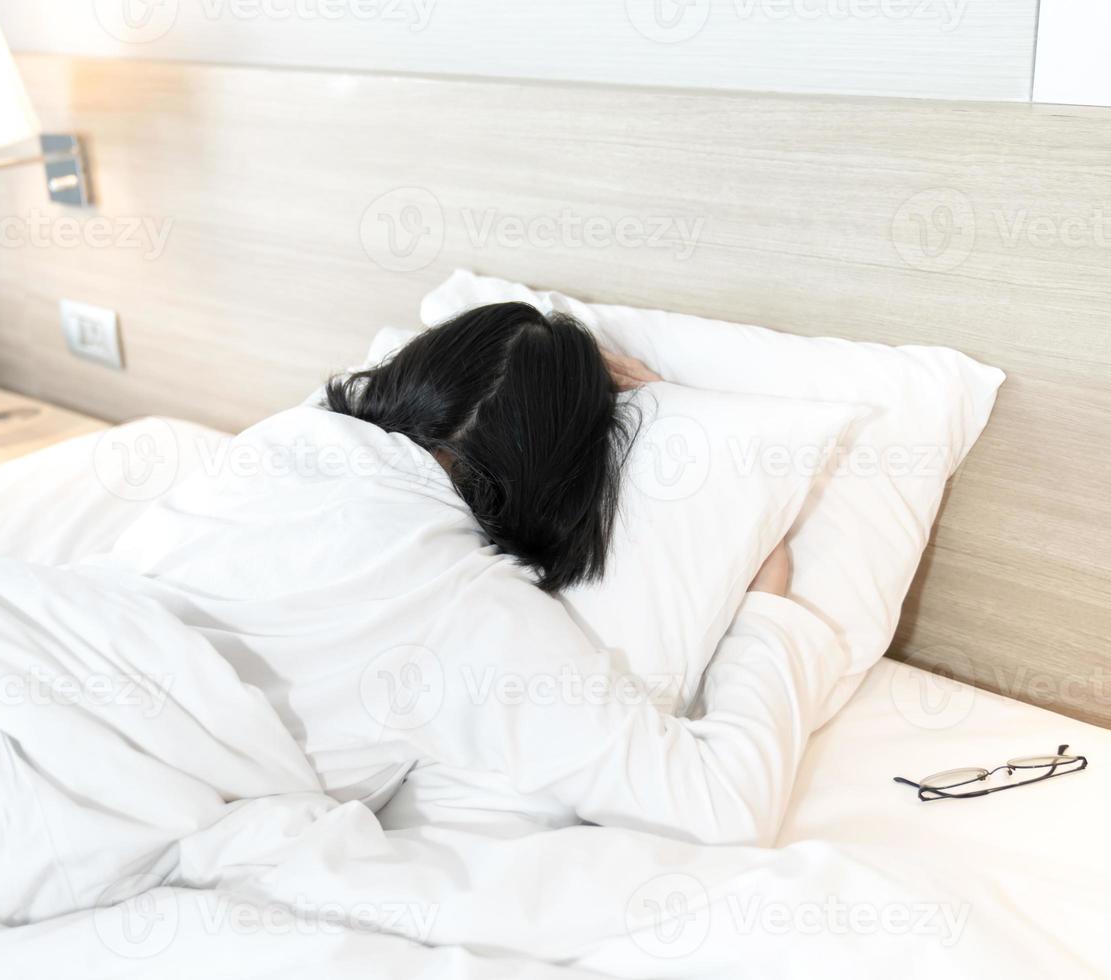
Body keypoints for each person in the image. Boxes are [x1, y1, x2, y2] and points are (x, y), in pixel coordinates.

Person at [104, 302, 841, 845]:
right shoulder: (467, 606)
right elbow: (722, 807)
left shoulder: (285, 439)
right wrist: (767, 619)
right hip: (116, 770)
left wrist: (544, 369)